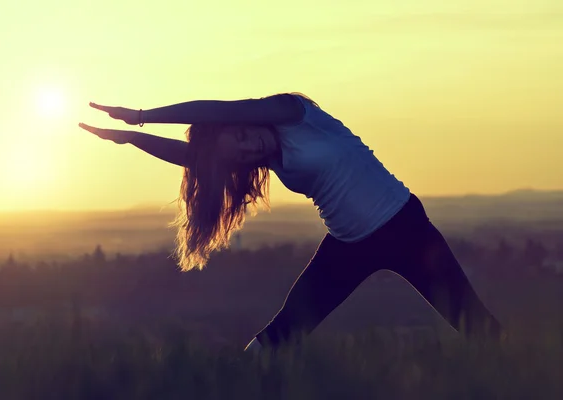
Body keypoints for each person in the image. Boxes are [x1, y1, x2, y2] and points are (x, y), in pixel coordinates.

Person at [79, 92, 504, 352]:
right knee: (283, 332)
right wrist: (130, 140)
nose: (248, 147)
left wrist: (139, 116)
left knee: (472, 322)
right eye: (240, 153)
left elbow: (216, 108)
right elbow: (195, 158)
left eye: (242, 136)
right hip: (347, 245)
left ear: (242, 123)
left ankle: (520, 375)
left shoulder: (292, 113)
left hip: (404, 227)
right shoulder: (268, 157)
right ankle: (239, 382)